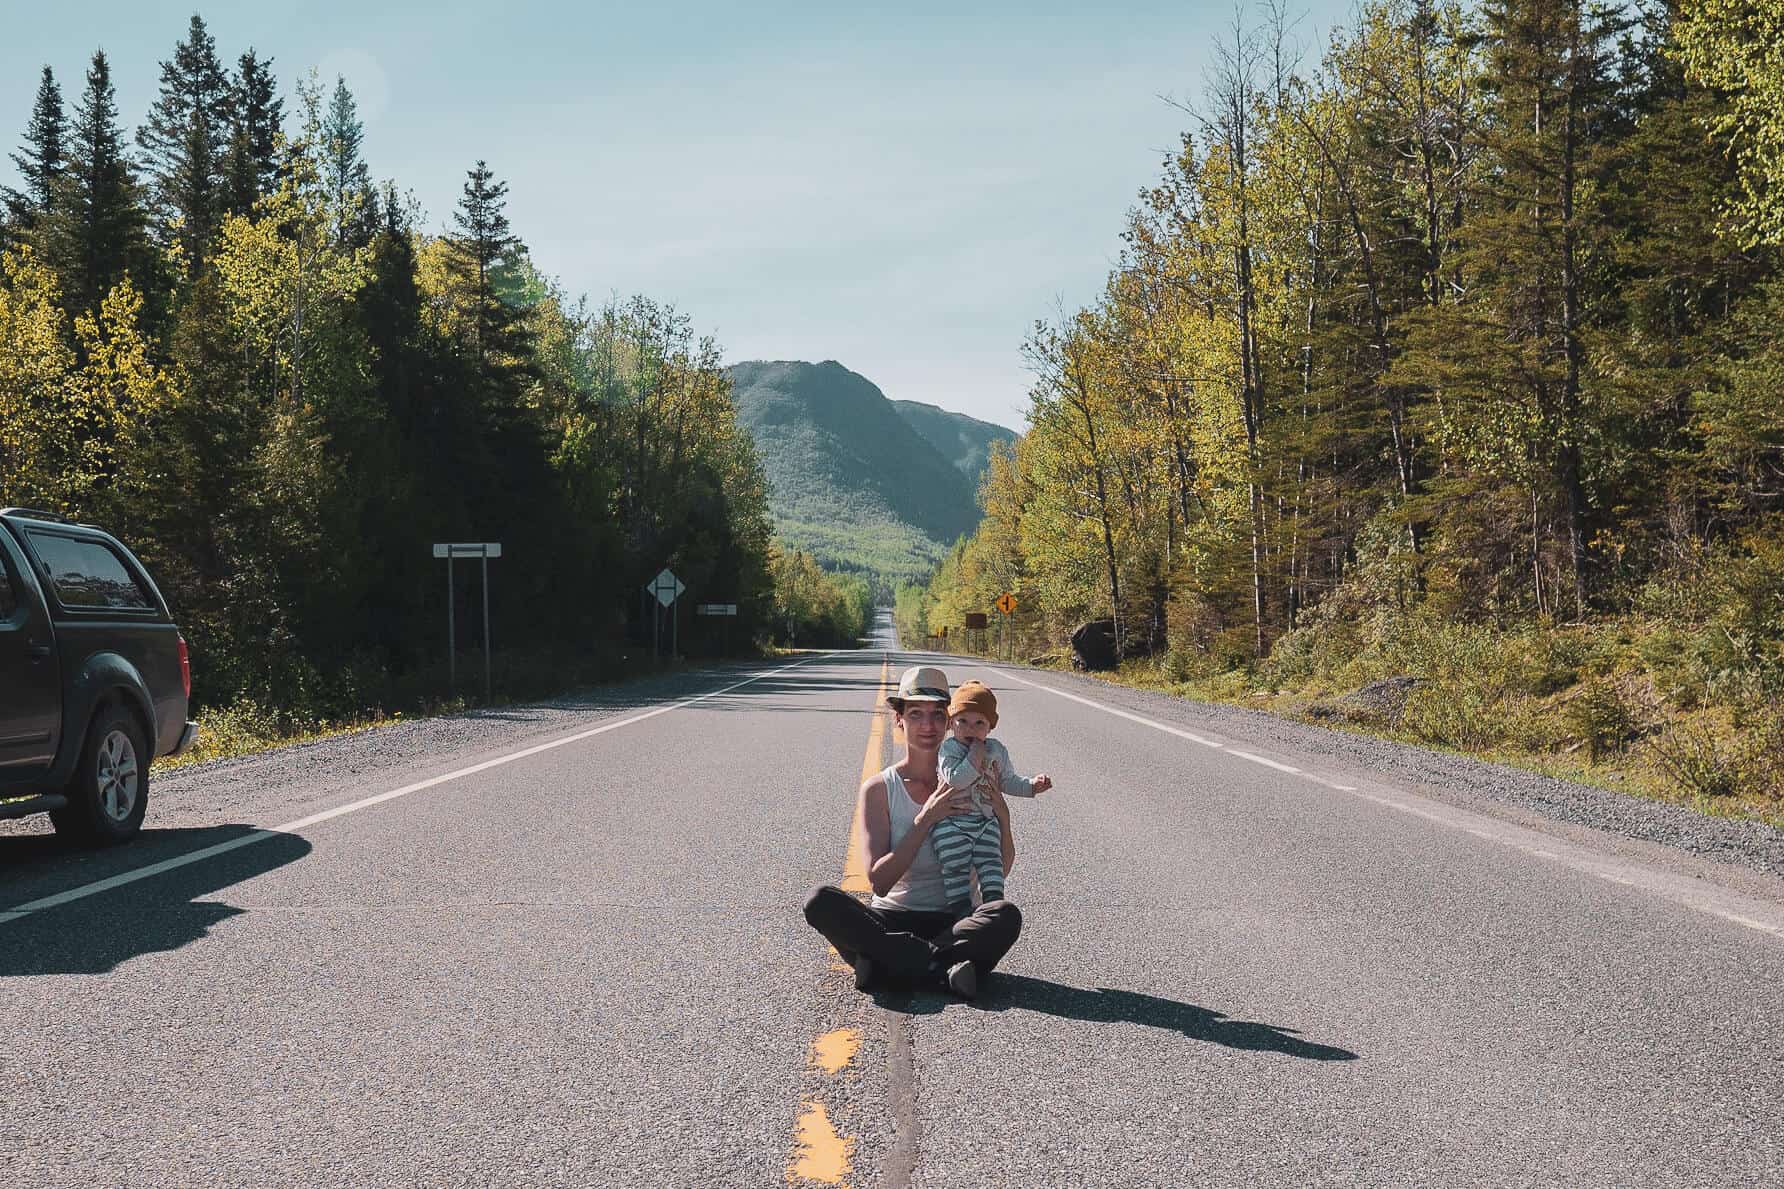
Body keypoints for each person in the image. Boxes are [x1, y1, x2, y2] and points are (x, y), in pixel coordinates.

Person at [802, 665, 1023, 1001]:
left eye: (938, 714)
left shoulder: (978, 777)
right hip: (890, 918)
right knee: (820, 901)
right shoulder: (879, 789)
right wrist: (926, 820)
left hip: (954, 920)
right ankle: (942, 967)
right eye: (916, 713)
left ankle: (888, 963)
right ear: (899, 719)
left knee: (1005, 916)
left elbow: (998, 869)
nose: (928, 725)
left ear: (951, 721)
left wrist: (1004, 818)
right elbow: (880, 882)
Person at [932, 679, 1053, 906]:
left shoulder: (996, 749)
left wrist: (1031, 786)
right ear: (951, 723)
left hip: (986, 821)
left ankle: (993, 906)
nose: (971, 728)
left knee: (991, 864)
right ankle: (960, 910)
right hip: (952, 822)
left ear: (990, 726)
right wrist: (975, 755)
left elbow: (1007, 781)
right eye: (963, 721)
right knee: (955, 868)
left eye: (980, 722)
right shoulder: (948, 750)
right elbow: (957, 780)